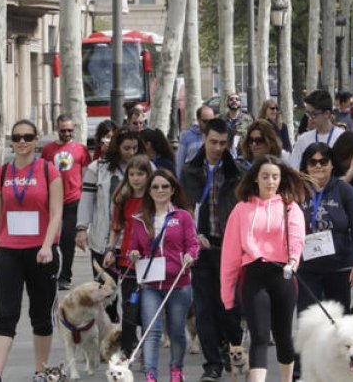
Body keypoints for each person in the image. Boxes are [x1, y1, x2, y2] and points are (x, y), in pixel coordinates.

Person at [0, 120, 62, 382]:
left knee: (40, 313)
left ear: (37, 140)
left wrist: (48, 245)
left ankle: (40, 371)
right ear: (11, 141)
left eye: (27, 137)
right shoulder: (1, 174)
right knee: (5, 313)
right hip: (10, 251)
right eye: (17, 137)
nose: (22, 141)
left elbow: (57, 213)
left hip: (41, 251)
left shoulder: (49, 171)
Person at [220, 156, 307, 382]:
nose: (270, 181)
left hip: (283, 275)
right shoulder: (241, 210)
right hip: (254, 276)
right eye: (265, 176)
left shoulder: (290, 208)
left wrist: (294, 262)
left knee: (283, 336)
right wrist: (227, 296)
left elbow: (297, 240)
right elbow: (230, 255)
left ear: (281, 179)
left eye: (275, 177)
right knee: (259, 336)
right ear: (255, 178)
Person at [182, 118, 246, 382]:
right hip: (202, 248)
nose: (218, 148)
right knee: (205, 308)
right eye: (213, 142)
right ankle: (212, 364)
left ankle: (231, 349)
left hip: (229, 248)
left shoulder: (237, 170)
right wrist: (193, 236)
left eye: (223, 143)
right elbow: (185, 208)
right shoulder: (190, 170)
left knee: (230, 309)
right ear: (204, 139)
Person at [125, 169, 198, 382]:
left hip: (179, 283)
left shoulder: (183, 216)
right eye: (155, 186)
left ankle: (176, 370)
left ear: (173, 189)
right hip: (150, 285)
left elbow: (193, 244)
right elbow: (132, 248)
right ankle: (151, 375)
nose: (160, 190)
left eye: (165, 186)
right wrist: (133, 254)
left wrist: (190, 256)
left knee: (176, 332)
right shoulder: (139, 219)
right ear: (149, 191)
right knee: (152, 332)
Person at [77, 128, 145, 325]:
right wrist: (82, 229)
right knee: (106, 295)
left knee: (133, 296)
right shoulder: (97, 168)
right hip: (102, 240)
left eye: (134, 148)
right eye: (126, 148)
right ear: (116, 147)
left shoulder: (146, 166)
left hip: (134, 243)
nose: (131, 153)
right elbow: (87, 201)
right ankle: (108, 338)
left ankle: (129, 341)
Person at [294, 143, 353, 313]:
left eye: (323, 161)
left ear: (332, 164)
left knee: (338, 321)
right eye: (312, 162)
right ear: (306, 166)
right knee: (309, 319)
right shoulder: (297, 191)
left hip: (339, 268)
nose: (318, 166)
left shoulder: (344, 190)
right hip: (307, 268)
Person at [104, 155, 154, 356]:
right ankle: (127, 349)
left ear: (148, 175)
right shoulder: (122, 199)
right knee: (129, 306)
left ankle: (147, 349)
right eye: (132, 174)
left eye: (140, 174)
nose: (136, 178)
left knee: (148, 308)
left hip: (151, 262)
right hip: (127, 261)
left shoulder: (154, 198)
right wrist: (110, 249)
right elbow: (116, 227)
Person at [40, 115, 89, 290]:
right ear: (56, 129)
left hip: (73, 199)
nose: (67, 133)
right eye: (63, 130)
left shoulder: (81, 150)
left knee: (67, 241)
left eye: (70, 130)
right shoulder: (47, 150)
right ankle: (50, 272)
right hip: (52, 200)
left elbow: (85, 175)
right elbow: (43, 174)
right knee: (50, 239)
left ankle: (65, 276)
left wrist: (85, 199)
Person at [291, 90, 344, 169]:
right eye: (308, 114)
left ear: (327, 114)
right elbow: (294, 168)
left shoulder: (342, 137)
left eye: (313, 114)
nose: (310, 118)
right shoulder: (303, 139)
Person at [177, 105, 216, 177]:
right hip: (193, 179)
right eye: (205, 121)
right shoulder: (187, 136)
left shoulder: (219, 135)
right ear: (198, 120)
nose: (209, 124)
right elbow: (179, 163)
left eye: (211, 121)